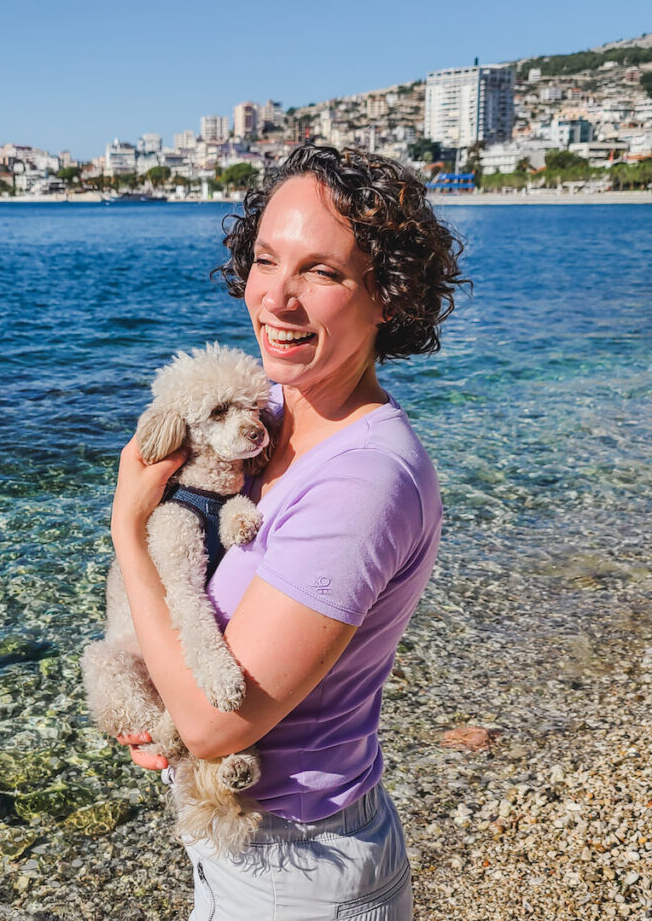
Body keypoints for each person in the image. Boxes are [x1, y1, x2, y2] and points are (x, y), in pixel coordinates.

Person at [109, 143, 468, 920]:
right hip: (239, 846)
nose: (277, 298)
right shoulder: (261, 421)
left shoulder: (363, 479)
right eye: (266, 260)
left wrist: (127, 528)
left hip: (301, 870)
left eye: (323, 272)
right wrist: (152, 706)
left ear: (392, 298)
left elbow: (216, 722)